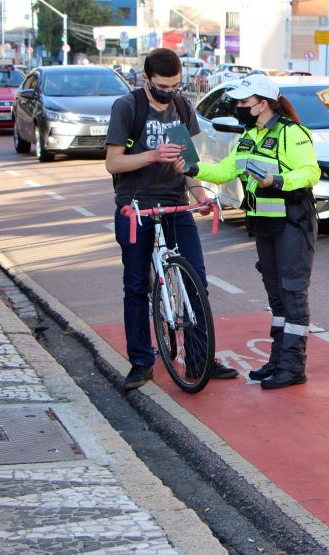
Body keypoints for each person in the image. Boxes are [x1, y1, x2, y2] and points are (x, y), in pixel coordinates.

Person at [106, 48, 238, 391]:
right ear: (146, 79)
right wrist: (152, 155)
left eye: (176, 85)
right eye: (163, 86)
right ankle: (141, 362)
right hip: (136, 206)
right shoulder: (128, 107)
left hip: (175, 202)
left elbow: (188, 161)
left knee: (196, 280)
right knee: (135, 286)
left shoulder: (181, 107)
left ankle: (199, 358)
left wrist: (199, 193)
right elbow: (113, 163)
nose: (169, 92)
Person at [184, 74, 320, 390]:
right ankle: (277, 360)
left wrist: (278, 182)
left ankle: (293, 366)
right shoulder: (248, 136)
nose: (240, 107)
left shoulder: (291, 133)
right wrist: (190, 168)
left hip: (292, 222)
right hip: (264, 224)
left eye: (245, 102)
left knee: (293, 294)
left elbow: (311, 171)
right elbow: (224, 171)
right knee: (277, 298)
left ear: (264, 103)